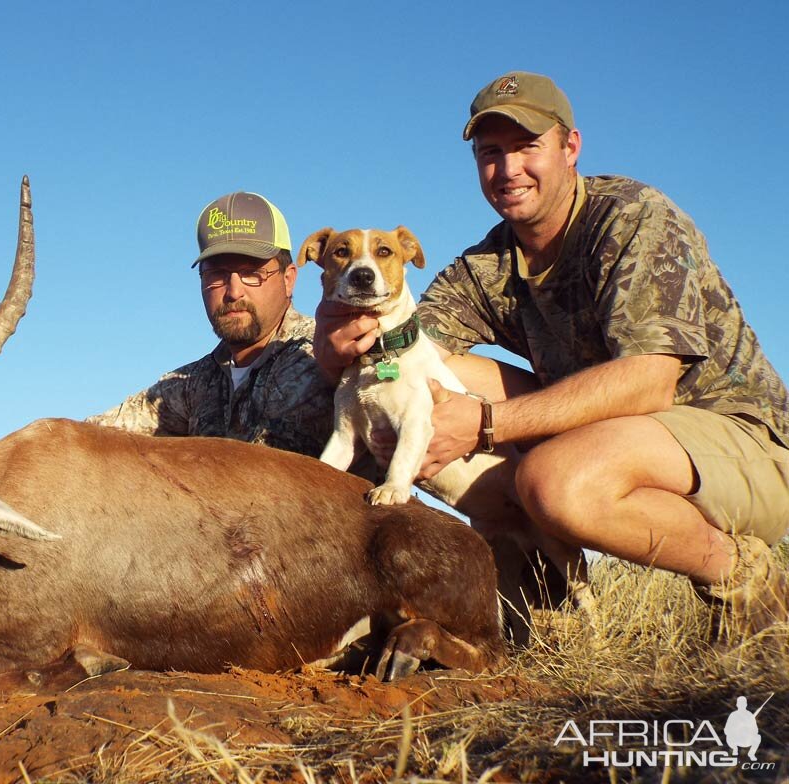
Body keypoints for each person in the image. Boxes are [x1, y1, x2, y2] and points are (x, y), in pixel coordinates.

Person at [315, 71, 789, 636]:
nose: (508, 169)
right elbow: (403, 347)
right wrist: (334, 336)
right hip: (615, 434)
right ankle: (541, 596)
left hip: (739, 442)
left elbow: (651, 382)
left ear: (570, 148)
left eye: (527, 146)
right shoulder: (485, 265)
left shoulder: (634, 217)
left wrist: (485, 423)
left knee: (555, 480)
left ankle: (746, 577)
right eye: (491, 152)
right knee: (420, 383)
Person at [89, 191, 337, 459]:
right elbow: (94, 436)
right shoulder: (195, 383)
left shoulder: (324, 355)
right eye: (216, 275)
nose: (233, 292)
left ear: (288, 279)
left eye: (252, 274)